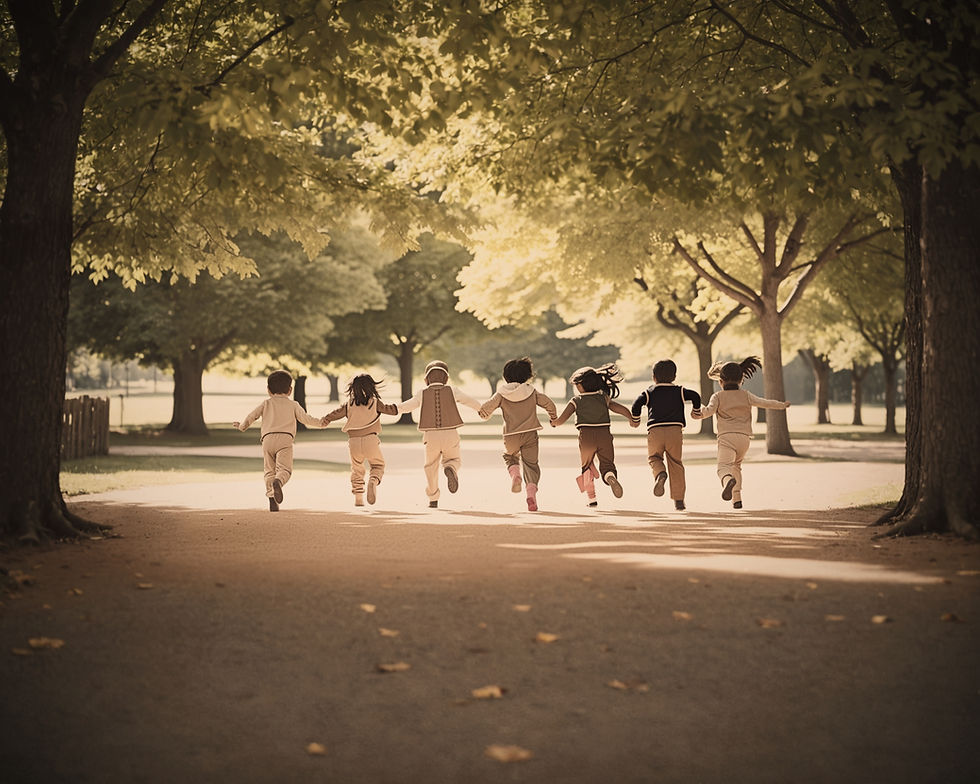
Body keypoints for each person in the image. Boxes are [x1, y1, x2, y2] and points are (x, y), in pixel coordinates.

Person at [692, 356, 791, 509]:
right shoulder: (746, 395)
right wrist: (782, 405)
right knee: (736, 465)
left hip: (726, 438)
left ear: (720, 381)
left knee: (724, 467)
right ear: (741, 380)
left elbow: (708, 411)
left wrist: (698, 414)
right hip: (744, 440)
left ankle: (727, 482)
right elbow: (764, 402)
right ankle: (736, 499)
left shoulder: (717, 396)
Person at [233, 369, 326, 511]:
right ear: (290, 390)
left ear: (268, 390)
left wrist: (242, 426)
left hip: (267, 439)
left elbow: (252, 416)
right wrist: (321, 423)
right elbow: (305, 419)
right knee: (285, 470)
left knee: (269, 470)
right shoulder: (293, 404)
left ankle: (271, 497)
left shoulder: (266, 403)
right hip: (285, 439)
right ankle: (279, 481)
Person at [396, 360, 482, 508]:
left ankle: (433, 498)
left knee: (430, 466)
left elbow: (407, 406)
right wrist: (483, 410)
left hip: (431, 436)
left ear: (426, 379)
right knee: (454, 459)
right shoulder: (453, 390)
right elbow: (470, 401)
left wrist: (389, 408)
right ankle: (451, 468)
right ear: (446, 378)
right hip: (450, 433)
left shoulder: (421, 393)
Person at [552, 364, 640, 507]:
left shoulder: (576, 400)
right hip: (604, 435)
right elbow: (620, 408)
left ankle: (592, 499)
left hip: (586, 437)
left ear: (580, 386)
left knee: (586, 467)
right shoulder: (603, 398)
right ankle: (610, 476)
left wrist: (554, 423)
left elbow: (561, 419)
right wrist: (631, 418)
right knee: (607, 464)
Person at [478, 356, 558, 512]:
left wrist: (483, 414)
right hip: (530, 434)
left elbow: (487, 408)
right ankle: (531, 493)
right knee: (531, 465)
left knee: (510, 457)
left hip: (510, 435)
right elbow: (548, 403)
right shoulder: (531, 391)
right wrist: (553, 417)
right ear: (528, 375)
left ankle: (515, 475)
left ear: (505, 376)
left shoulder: (501, 393)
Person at [630, 359, 702, 511]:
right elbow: (695, 396)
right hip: (675, 431)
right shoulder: (680, 391)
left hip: (655, 431)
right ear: (674, 376)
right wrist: (695, 411)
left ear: (653, 376)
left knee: (654, 458)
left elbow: (637, 403)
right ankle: (679, 500)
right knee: (676, 463)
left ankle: (660, 474)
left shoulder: (649, 392)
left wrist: (635, 419)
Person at [320, 374, 399, 507]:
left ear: (353, 388)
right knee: (378, 465)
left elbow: (336, 413)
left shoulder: (349, 404)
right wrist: (399, 408)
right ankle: (373, 480)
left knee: (357, 469)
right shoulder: (375, 402)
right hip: (371, 440)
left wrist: (326, 419)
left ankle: (358, 498)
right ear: (372, 387)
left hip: (354, 442)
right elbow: (389, 410)